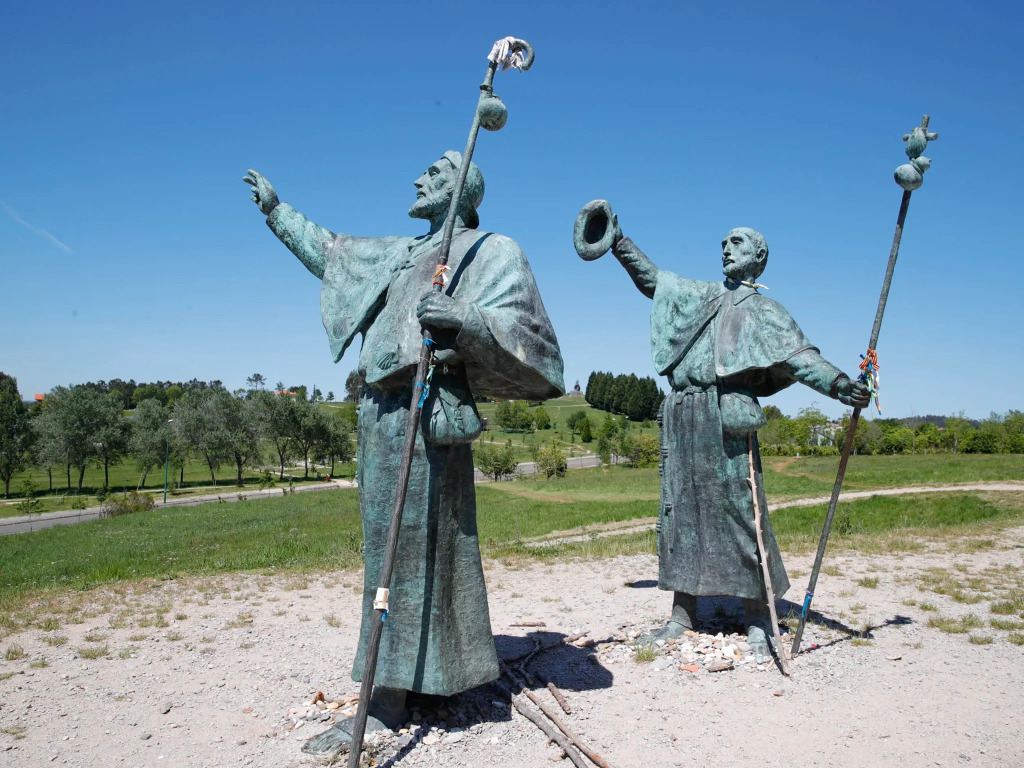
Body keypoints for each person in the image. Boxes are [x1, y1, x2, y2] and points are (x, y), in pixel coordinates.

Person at [243, 152, 563, 751]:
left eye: (435, 174)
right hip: (382, 416)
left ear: (463, 189)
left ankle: (385, 701)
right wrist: (278, 213)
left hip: (427, 410)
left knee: (411, 553)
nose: (419, 179)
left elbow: (536, 345)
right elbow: (334, 255)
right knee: (393, 553)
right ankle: (429, 676)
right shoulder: (402, 254)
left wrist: (465, 319)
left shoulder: (490, 251)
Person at [607, 223, 869, 657]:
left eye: (737, 242)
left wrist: (841, 385)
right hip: (684, 414)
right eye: (724, 243)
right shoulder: (703, 296)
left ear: (759, 256)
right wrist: (619, 242)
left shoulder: (765, 311)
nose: (726, 248)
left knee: (742, 513)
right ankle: (682, 615)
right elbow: (655, 281)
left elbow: (802, 360)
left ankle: (759, 618)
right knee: (681, 514)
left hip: (725, 417)